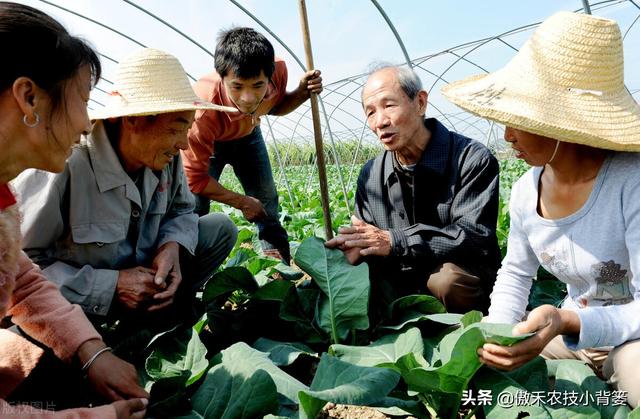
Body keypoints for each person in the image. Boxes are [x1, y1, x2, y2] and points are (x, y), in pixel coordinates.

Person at [442, 11, 640, 407]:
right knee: (471, 380)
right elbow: (516, 273)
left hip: (630, 339)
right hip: (567, 339)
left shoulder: (630, 183)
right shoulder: (524, 192)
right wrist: (497, 337)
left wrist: (566, 320)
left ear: (561, 125)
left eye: (520, 120)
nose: (507, 135)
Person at [13, 48, 238, 338]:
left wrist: (172, 247)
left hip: (145, 283)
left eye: (188, 128)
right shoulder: (61, 164)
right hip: (80, 302)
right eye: (176, 128)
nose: (184, 144)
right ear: (134, 119)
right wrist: (111, 286)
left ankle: (163, 312)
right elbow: (20, 267)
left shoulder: (164, 159)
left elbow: (183, 211)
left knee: (220, 228)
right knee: (27, 346)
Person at [0, 2, 148, 417]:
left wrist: (91, 352)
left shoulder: (2, 195)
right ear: (29, 98)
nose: (87, 123)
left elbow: (20, 280)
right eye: (83, 98)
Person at [325, 64, 501, 315]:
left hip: (463, 285)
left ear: (420, 103)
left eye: (389, 105)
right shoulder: (371, 174)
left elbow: (474, 238)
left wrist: (396, 241)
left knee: (445, 280)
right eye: (370, 112)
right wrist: (351, 249)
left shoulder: (471, 159)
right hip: (401, 287)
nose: (380, 122)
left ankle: (475, 336)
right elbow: (367, 238)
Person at [184, 27, 323, 264]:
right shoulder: (201, 110)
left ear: (268, 77)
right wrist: (241, 201)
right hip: (213, 145)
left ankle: (277, 269)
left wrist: (301, 93)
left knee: (267, 201)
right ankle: (189, 271)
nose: (248, 98)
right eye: (237, 86)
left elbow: (275, 107)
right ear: (222, 77)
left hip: (249, 137)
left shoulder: (278, 70)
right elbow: (195, 179)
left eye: (257, 85)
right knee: (192, 206)